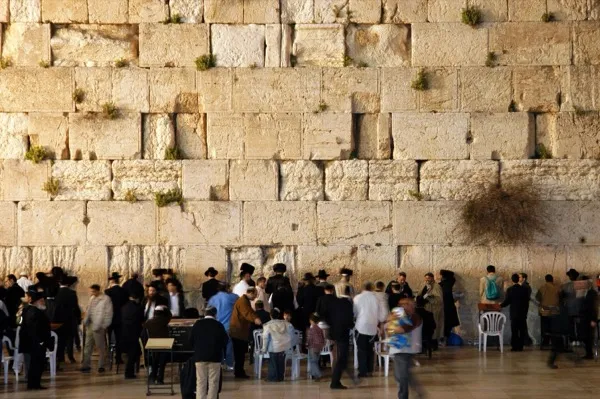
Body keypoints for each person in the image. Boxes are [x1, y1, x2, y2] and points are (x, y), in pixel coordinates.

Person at [387, 298, 425, 399]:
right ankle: (419, 393)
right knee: (404, 374)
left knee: (401, 376)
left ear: (410, 305)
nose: (402, 306)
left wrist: (391, 324)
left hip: (405, 350)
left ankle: (404, 397)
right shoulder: (403, 316)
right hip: (402, 349)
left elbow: (402, 330)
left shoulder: (414, 317)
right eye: (401, 304)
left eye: (404, 304)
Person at [190, 305, 228, 399]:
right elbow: (225, 341)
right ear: (215, 314)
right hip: (215, 357)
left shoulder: (197, 324)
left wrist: (197, 349)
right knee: (213, 382)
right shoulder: (219, 325)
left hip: (200, 357)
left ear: (204, 314)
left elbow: (190, 340)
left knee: (200, 382)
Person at [353, 282, 387, 378]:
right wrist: (378, 321)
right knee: (370, 349)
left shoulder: (357, 298)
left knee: (361, 349)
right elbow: (383, 315)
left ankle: (363, 371)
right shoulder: (377, 298)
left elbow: (355, 313)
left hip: (361, 326)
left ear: (363, 288)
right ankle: (370, 370)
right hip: (372, 327)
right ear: (372, 288)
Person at [21, 290, 53, 390]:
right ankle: (33, 384)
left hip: (35, 343)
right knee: (36, 364)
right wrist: (40, 342)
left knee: (37, 364)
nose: (44, 303)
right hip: (36, 343)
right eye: (42, 301)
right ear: (37, 301)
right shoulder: (34, 312)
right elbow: (33, 328)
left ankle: (35, 384)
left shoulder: (31, 310)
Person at [229, 287, 262, 378]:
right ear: (250, 293)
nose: (255, 297)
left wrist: (255, 316)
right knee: (239, 354)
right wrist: (256, 319)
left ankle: (240, 371)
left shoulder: (245, 301)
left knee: (240, 353)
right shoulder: (242, 301)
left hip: (240, 331)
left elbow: (250, 311)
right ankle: (239, 372)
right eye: (255, 295)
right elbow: (247, 313)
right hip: (238, 332)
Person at [81, 284, 113, 373]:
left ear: (98, 290)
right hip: (90, 324)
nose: (92, 293)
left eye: (93, 291)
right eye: (91, 291)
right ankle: (86, 365)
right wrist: (85, 321)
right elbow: (89, 310)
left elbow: (108, 313)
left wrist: (104, 325)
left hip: (99, 325)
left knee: (100, 347)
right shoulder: (92, 298)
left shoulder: (106, 299)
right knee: (88, 345)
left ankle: (101, 365)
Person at [329, 285, 356, 390]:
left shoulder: (335, 302)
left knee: (342, 357)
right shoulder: (348, 304)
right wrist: (352, 325)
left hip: (335, 332)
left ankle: (340, 378)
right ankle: (335, 382)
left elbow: (330, 316)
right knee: (342, 358)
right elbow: (348, 320)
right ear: (350, 293)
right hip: (342, 333)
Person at [208, 282, 238, 370]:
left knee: (218, 345)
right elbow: (239, 299)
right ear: (227, 288)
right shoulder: (232, 297)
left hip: (216, 325)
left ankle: (220, 363)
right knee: (229, 345)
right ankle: (230, 364)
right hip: (228, 325)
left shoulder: (213, 298)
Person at [53, 275, 81, 365]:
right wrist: (78, 318)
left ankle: (60, 357)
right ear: (68, 284)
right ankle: (71, 357)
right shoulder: (72, 293)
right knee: (70, 339)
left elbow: (55, 307)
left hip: (59, 319)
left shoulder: (56, 293)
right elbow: (76, 307)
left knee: (60, 339)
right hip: (70, 318)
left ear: (59, 283)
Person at [262, 308, 294, 382]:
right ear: (279, 315)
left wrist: (264, 349)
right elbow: (291, 335)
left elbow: (265, 338)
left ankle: (273, 378)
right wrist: (288, 344)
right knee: (281, 362)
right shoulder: (286, 323)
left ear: (270, 315)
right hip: (283, 347)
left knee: (273, 363)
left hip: (273, 347)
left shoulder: (267, 325)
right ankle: (280, 377)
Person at [501, 274, 530, 352]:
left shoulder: (510, 289)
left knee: (514, 330)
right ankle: (520, 346)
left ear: (512, 280)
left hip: (514, 313)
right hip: (522, 313)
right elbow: (527, 302)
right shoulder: (524, 289)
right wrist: (525, 312)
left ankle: (514, 346)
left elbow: (507, 301)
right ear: (518, 279)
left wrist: (500, 305)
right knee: (522, 330)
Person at [145, 305, 172, 384]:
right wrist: (166, 308)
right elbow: (170, 315)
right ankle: (160, 379)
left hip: (153, 344)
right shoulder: (165, 320)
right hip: (164, 344)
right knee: (162, 362)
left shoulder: (148, 322)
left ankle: (153, 377)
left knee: (155, 361)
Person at [105, 272, 128, 365]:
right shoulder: (124, 291)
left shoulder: (108, 292)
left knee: (109, 338)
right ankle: (118, 358)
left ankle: (108, 357)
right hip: (120, 318)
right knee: (119, 339)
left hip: (110, 318)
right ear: (118, 280)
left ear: (111, 281)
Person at [121, 291, 144, 379]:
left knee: (129, 354)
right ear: (137, 299)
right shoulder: (139, 308)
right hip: (135, 333)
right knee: (133, 354)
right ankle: (129, 373)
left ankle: (129, 372)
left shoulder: (124, 307)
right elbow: (141, 320)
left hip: (125, 333)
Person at [296, 273, 324, 342]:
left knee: (306, 329)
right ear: (313, 280)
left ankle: (307, 345)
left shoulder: (302, 290)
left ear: (305, 281)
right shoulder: (319, 289)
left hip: (305, 312)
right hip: (316, 312)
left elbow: (299, 303)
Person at [417, 273, 444, 345]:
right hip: (425, 309)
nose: (427, 280)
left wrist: (429, 298)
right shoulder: (424, 285)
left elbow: (439, 299)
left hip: (434, 309)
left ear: (432, 278)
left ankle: (434, 343)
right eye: (425, 278)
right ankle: (427, 342)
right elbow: (420, 295)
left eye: (428, 278)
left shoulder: (436, 286)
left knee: (434, 326)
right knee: (427, 326)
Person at [535, 274, 560, 349]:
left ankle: (545, 342)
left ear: (545, 280)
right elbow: (561, 298)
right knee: (554, 327)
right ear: (552, 280)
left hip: (544, 310)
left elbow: (537, 298)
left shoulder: (542, 287)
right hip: (555, 310)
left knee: (544, 327)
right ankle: (554, 342)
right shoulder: (557, 288)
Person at [438, 270, 460, 338]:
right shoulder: (451, 282)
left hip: (444, 306)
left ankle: (444, 338)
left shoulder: (442, 284)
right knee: (449, 322)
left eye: (441, 275)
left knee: (444, 322)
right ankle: (446, 337)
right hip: (450, 306)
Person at [306, 313, 325, 381]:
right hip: (319, 348)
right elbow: (322, 338)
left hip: (313, 347)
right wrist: (322, 345)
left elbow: (310, 338)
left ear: (311, 320)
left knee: (313, 362)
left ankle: (319, 375)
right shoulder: (319, 329)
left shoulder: (311, 329)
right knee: (316, 361)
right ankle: (314, 375)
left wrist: (307, 344)